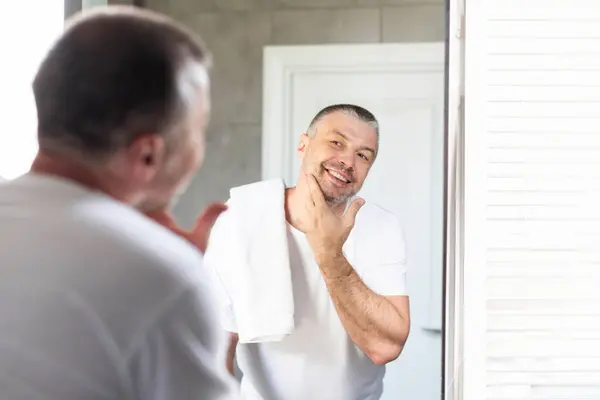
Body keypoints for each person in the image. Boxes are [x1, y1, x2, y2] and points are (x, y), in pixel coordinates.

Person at [0, 6, 239, 400]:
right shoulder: (161, 278)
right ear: (148, 155)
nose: (200, 148)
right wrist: (176, 280)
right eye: (198, 131)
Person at [204, 104, 411, 400]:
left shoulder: (381, 228)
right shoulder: (241, 218)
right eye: (336, 142)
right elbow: (216, 337)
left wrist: (329, 252)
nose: (348, 161)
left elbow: (386, 347)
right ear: (303, 145)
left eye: (363, 155)